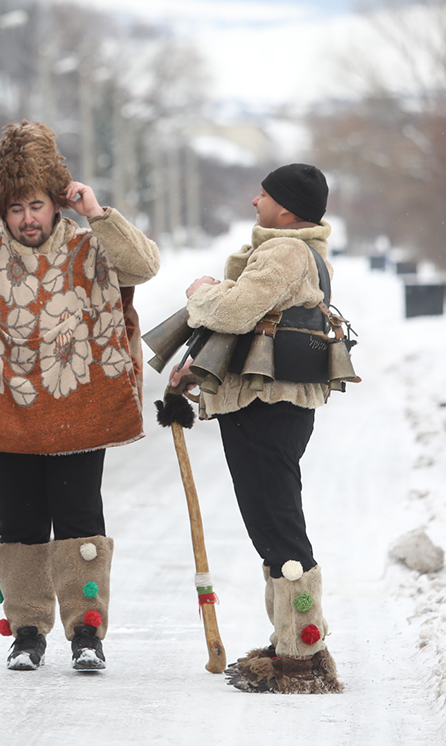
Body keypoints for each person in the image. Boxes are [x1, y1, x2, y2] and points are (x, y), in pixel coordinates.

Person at [0, 121, 159, 673]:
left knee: (80, 521)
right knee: (18, 525)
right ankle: (27, 632)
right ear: (0, 207)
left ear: (57, 203)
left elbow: (145, 266)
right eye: (16, 207)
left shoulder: (89, 242)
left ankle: (87, 633)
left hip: (79, 407)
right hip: (1, 409)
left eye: (37, 205)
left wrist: (97, 212)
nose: (27, 218)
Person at [171, 163, 344, 694]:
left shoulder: (286, 251)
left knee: (278, 524)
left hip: (267, 405)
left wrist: (201, 293)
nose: (253, 201)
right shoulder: (289, 250)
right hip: (263, 403)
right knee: (272, 524)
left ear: (286, 209)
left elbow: (239, 310)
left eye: (263, 195)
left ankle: (304, 658)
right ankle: (290, 640)